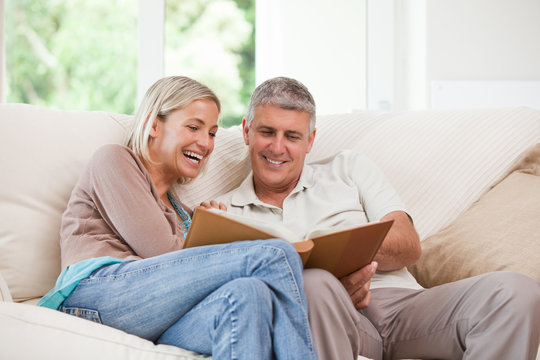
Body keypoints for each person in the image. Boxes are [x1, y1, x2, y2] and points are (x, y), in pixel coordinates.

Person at [210, 76, 540, 360]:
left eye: (292, 136)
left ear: (310, 140)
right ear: (246, 131)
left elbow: (408, 246)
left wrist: (342, 256)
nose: (278, 148)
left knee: (515, 291)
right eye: (267, 132)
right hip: (326, 315)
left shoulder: (348, 169)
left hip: (404, 307)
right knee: (315, 285)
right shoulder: (223, 213)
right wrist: (329, 285)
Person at [38, 76, 319, 360]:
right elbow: (161, 253)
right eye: (194, 127)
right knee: (275, 255)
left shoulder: (182, 211)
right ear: (154, 125)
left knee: (247, 295)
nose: (205, 143)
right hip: (93, 293)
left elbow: (180, 275)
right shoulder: (115, 161)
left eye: (211, 133)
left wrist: (207, 229)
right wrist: (208, 239)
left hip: (152, 315)